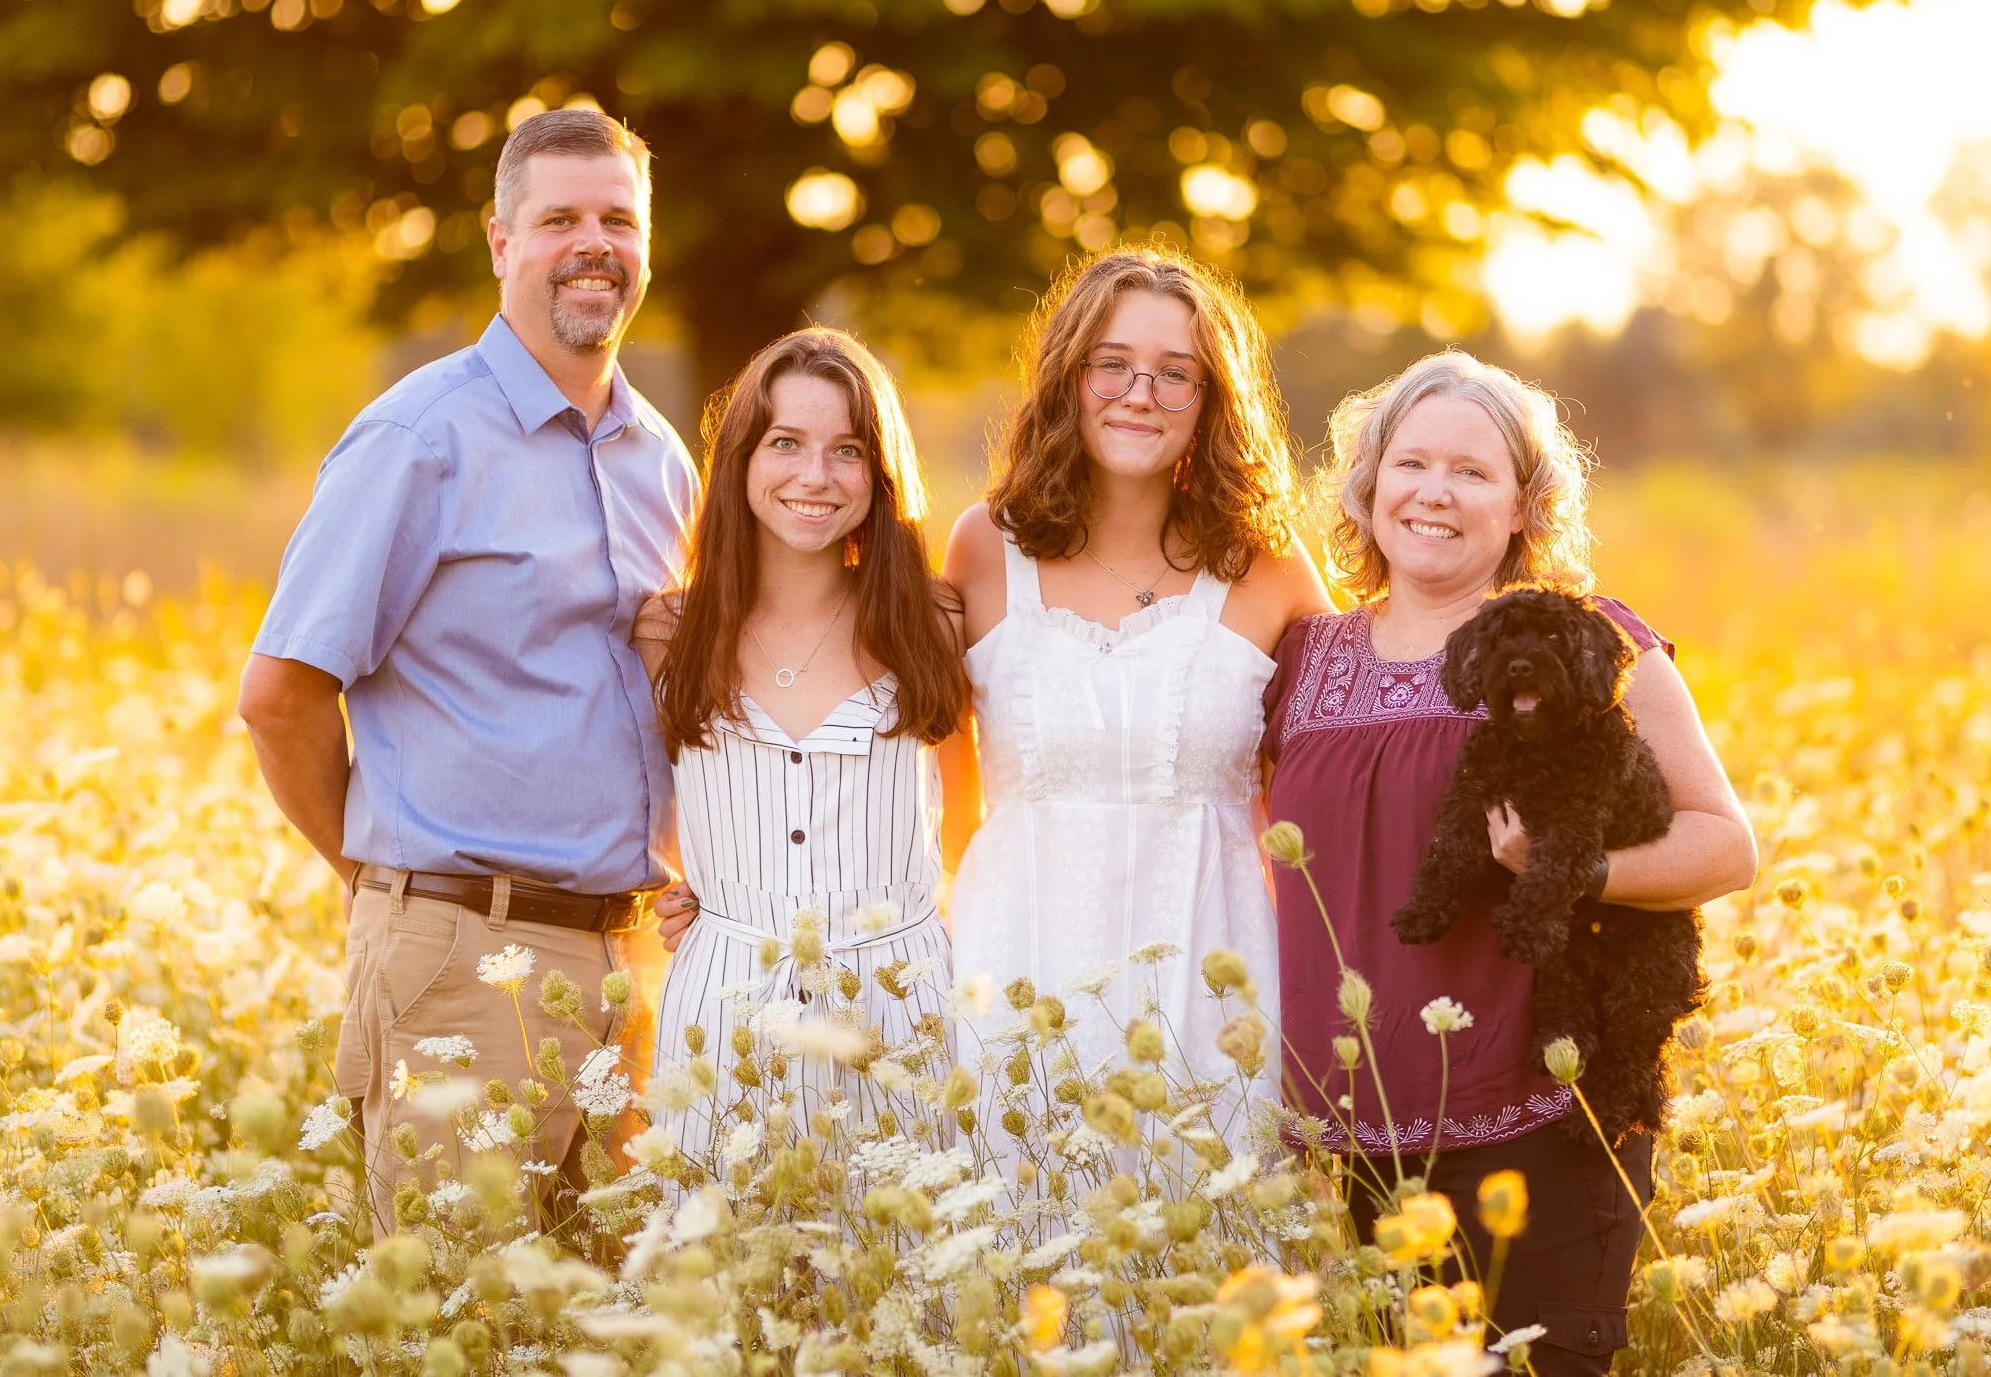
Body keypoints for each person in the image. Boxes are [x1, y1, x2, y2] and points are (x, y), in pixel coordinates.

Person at [236, 108, 697, 1231]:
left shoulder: (663, 462)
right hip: (462, 954)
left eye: (617, 219)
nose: (593, 242)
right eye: (559, 219)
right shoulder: (419, 437)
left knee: (613, 1317)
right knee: (461, 1316)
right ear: (500, 241)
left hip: (635, 956)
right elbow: (280, 693)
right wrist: (381, 878)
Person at [1261, 350, 1755, 1372]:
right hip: (1344, 1135)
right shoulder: (1303, 655)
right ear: (1367, 482)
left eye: (1472, 471)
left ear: (1527, 503)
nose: (1433, 492)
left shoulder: (1590, 644)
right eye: (1409, 463)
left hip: (1537, 1115)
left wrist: (1556, 867)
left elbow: (1724, 843)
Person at [943, 248, 1333, 1142]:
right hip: (1017, 975)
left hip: (1213, 988)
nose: (1139, 393)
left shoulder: (1266, 564)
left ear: (1212, 402)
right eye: (1111, 364)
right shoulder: (980, 549)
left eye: (1175, 374)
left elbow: (1353, 741)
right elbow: (916, 764)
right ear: (1068, 378)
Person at [633, 329, 970, 1157]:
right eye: (785, 442)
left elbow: (969, 817)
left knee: (905, 1269)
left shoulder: (933, 621)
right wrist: (685, 887)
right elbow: (652, 799)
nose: (814, 476)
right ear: (743, 457)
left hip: (900, 1006)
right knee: (722, 1272)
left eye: (846, 450)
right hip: (723, 1005)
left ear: (879, 475)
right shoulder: (670, 629)